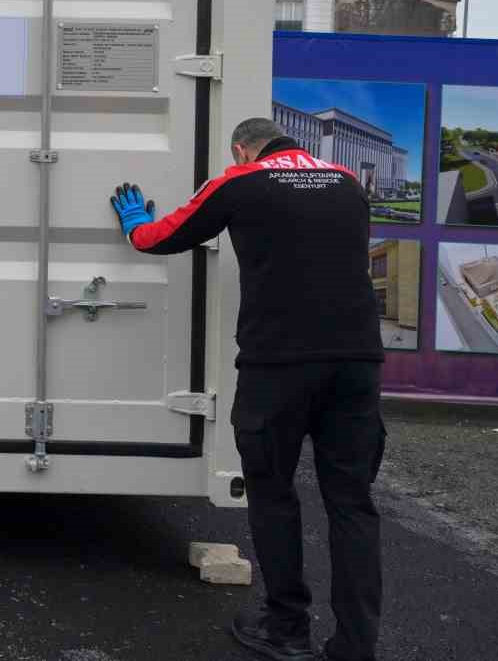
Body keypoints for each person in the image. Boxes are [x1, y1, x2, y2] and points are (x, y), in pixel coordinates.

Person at [109, 118, 385, 661]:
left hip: (278, 364)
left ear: (241, 148)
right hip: (357, 364)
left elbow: (159, 238)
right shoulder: (348, 181)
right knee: (352, 504)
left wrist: (135, 222)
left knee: (274, 492)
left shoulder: (241, 180)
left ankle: (286, 628)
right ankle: (356, 646)